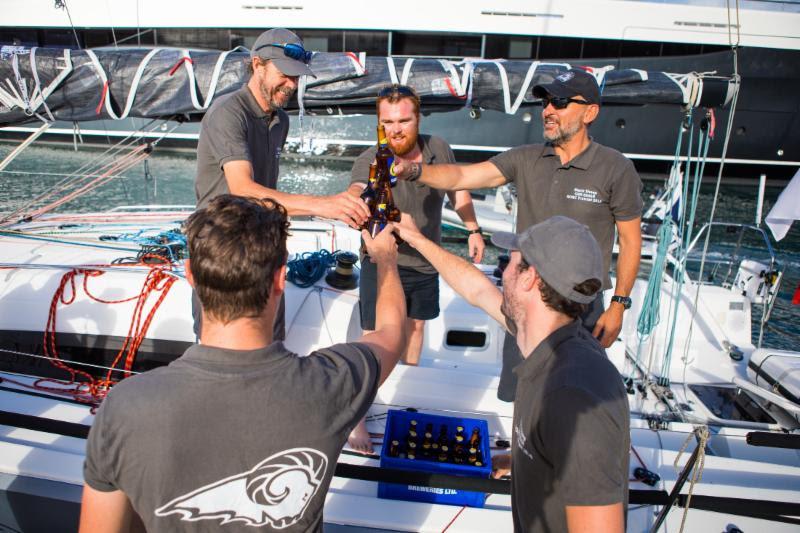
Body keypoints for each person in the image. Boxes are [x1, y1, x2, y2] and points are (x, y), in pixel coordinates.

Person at [79, 195, 406, 533]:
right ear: (280, 280)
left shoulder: (125, 407)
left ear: (190, 275)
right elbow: (392, 333)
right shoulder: (331, 385)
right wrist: (386, 260)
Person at [393, 68, 643, 401]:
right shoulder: (527, 158)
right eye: (546, 102)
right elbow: (462, 176)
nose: (549, 110)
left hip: (582, 304)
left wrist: (619, 307)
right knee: (520, 391)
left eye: (561, 102)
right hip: (524, 296)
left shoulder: (616, 169)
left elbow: (630, 241)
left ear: (590, 112)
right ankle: (517, 449)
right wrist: (416, 170)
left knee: (573, 394)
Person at [394, 214, 630, 533]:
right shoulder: (540, 337)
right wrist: (417, 239)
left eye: (509, 262)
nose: (501, 271)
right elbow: (476, 289)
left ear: (528, 278)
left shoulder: (575, 395)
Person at [192, 27, 370, 339]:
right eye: (284, 74)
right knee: (221, 351)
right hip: (222, 255)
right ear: (257, 64)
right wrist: (324, 205)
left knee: (271, 343)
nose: (291, 85)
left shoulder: (280, 119)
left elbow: (265, 188)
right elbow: (243, 190)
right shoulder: (228, 113)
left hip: (264, 250)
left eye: (297, 77)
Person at [345, 84, 485, 453]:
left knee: (417, 325)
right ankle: (356, 414)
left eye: (403, 120)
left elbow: (459, 190)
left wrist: (473, 228)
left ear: (418, 118)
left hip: (427, 259)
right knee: (376, 334)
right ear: (379, 123)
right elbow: (357, 190)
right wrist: (364, 203)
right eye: (387, 122)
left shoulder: (438, 148)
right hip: (382, 258)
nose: (396, 129)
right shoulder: (370, 158)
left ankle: (403, 395)